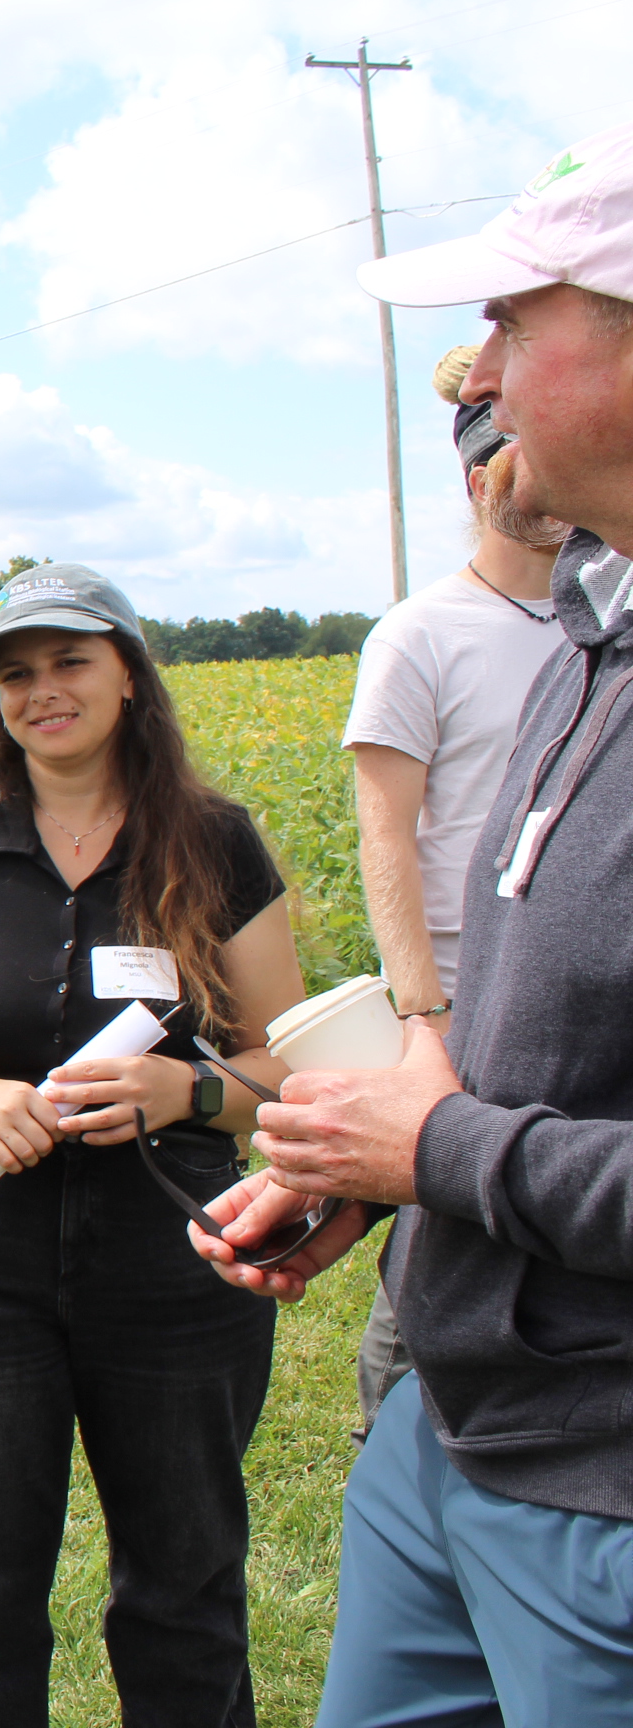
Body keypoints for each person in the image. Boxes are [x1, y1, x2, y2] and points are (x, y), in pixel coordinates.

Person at [197, 122, 633, 1724]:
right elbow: (555, 1053)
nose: (481, 370)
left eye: (520, 320)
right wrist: (380, 1181)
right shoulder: (590, 649)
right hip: (448, 1437)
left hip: (605, 1504)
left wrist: (436, 1158)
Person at [0, 564, 307, 1728]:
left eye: (69, 663)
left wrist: (183, 1090)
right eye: (15, 674)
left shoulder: (215, 842)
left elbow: (290, 1067)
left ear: (131, 678)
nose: (42, 691)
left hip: (172, 1261)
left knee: (184, 1588)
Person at [338, 350, 568, 1434]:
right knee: (442, 1251)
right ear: (472, 480)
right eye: (501, 459)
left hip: (575, 1001)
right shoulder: (418, 635)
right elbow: (388, 840)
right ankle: (401, 1442)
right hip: (464, 1008)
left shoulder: (601, 628)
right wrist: (422, 1021)